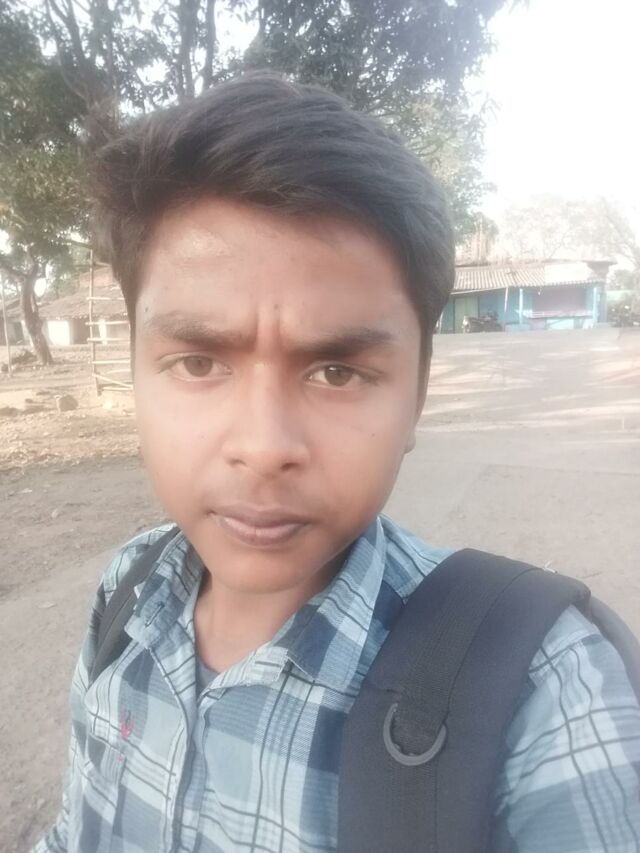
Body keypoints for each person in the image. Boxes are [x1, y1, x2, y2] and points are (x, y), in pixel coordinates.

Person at [35, 73, 640, 853]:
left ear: (417, 394)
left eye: (337, 371)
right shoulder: (127, 590)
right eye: (198, 362)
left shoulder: (542, 693)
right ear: (135, 372)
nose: (263, 447)